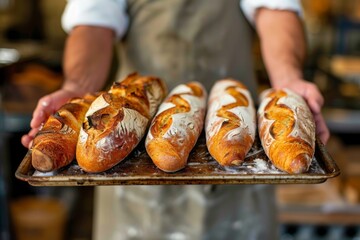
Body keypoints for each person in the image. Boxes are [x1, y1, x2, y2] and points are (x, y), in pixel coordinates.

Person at [22, 0, 330, 239]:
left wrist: (288, 78)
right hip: (129, 143)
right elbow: (93, 20)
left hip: (236, 130)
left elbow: (275, 8)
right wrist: (79, 89)